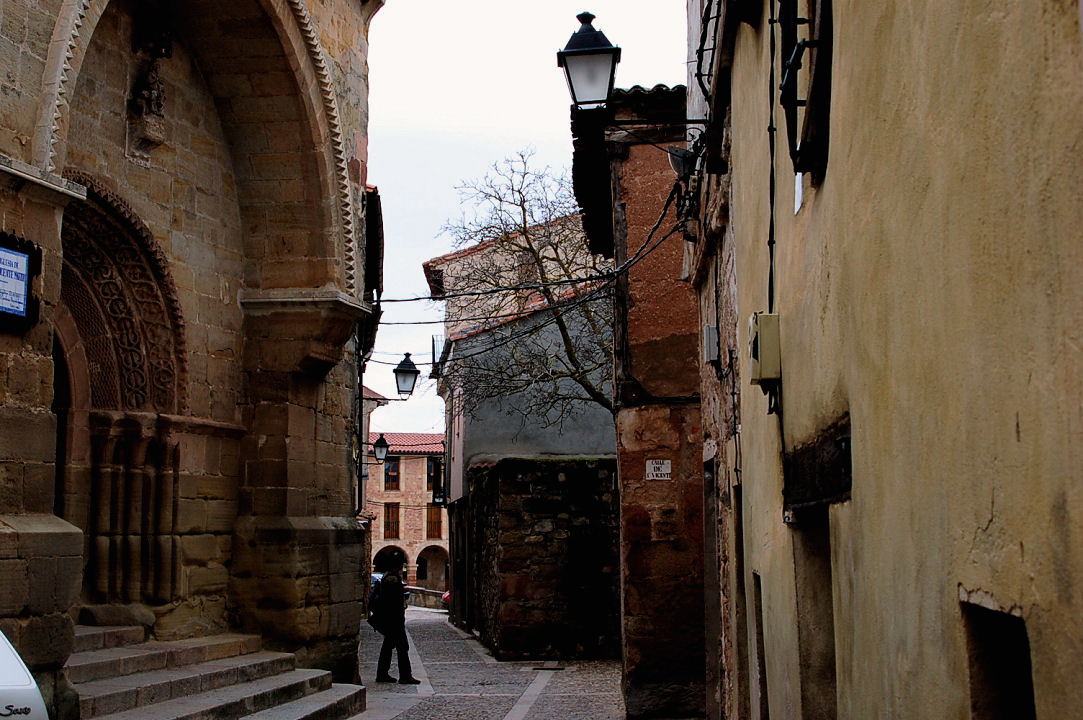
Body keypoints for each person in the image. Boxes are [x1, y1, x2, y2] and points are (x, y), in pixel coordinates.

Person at [372, 560, 421, 684]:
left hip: (390, 619)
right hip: (394, 619)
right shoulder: (392, 579)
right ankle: (405, 675)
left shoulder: (387, 577)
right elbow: (393, 601)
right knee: (402, 647)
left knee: (388, 646)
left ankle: (382, 674)